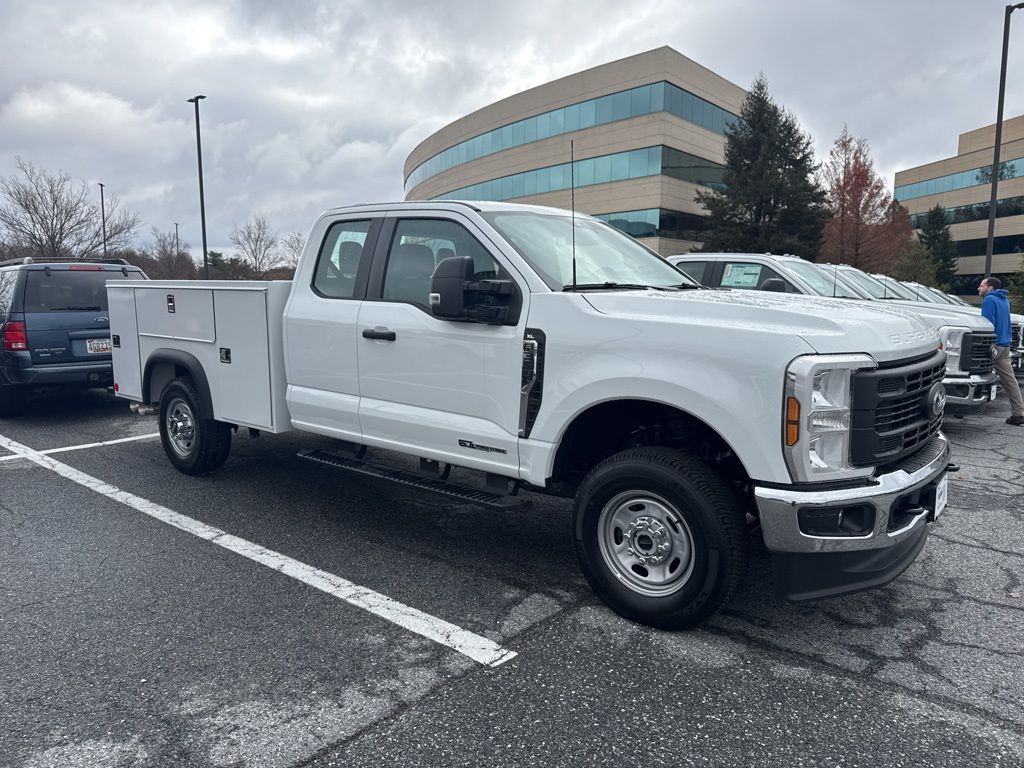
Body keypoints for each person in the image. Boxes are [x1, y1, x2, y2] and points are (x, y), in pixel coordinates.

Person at [977, 276, 1024, 426]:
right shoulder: (1004, 300)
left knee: (973, 372)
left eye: (982, 285)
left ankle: (962, 406)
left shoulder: (989, 300)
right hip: (1005, 344)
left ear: (990, 288)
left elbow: (987, 324)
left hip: (993, 346)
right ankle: (1018, 413)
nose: (979, 288)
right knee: (1010, 380)